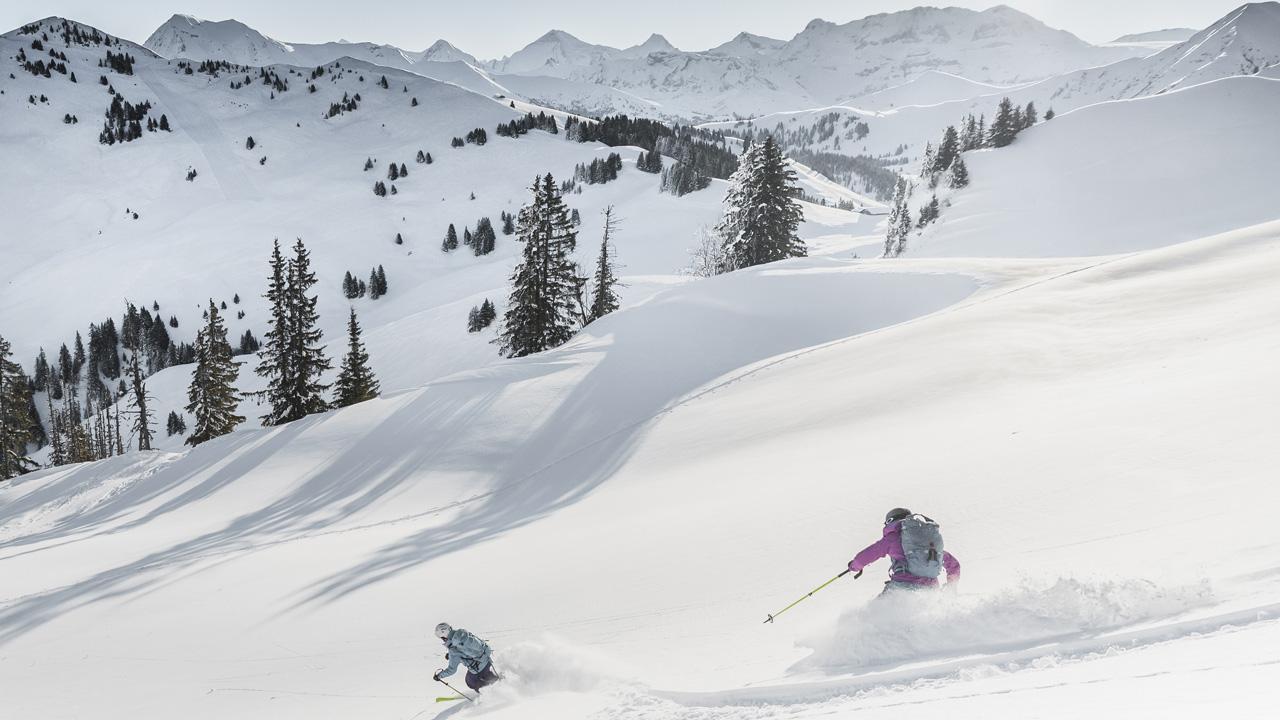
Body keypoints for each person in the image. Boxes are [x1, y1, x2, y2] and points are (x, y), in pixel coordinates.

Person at [848, 508, 960, 593]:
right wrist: (951, 585)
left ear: (890, 521)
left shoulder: (893, 537)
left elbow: (870, 553)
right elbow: (953, 564)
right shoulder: (924, 543)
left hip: (903, 586)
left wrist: (854, 566)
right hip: (931, 589)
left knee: (875, 611)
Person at [432, 622, 500, 693]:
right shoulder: (463, 634)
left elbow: (451, 670)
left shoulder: (453, 650)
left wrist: (439, 676)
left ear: (444, 636)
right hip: (487, 659)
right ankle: (501, 682)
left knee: (470, 682)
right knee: (489, 676)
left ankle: (489, 693)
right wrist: (450, 655)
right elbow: (468, 649)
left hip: (479, 668)